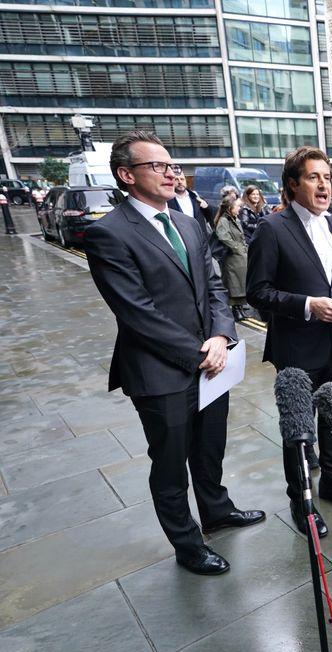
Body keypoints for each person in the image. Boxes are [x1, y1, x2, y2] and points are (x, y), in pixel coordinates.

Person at [83, 130, 265, 575]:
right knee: (169, 465)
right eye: (158, 166)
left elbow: (216, 287)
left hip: (212, 361)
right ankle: (188, 545)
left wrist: (222, 337)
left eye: (172, 164)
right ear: (127, 175)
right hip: (160, 372)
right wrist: (199, 353)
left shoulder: (187, 222)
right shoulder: (107, 234)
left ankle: (217, 510)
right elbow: (138, 314)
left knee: (209, 448)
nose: (172, 172)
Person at [246, 146, 332, 539]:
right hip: (296, 348)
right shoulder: (271, 229)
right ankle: (301, 500)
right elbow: (257, 291)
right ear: (293, 185)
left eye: (326, 176)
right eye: (314, 177)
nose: (323, 184)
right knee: (298, 429)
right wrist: (308, 305)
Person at [213, 196, 249, 321]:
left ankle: (239, 309)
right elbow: (223, 237)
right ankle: (235, 310)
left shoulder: (234, 219)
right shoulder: (224, 220)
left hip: (239, 258)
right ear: (230, 207)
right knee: (234, 285)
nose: (240, 208)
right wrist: (237, 247)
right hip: (232, 258)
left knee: (240, 284)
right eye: (238, 206)